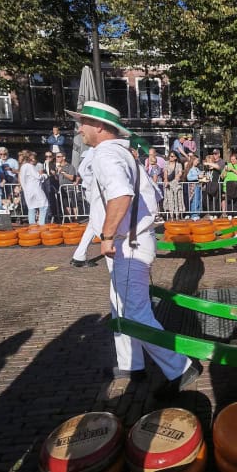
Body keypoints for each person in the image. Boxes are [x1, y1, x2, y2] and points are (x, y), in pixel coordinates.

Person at [68, 100, 199, 394]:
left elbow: (121, 194)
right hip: (132, 242)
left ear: (99, 127)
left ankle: (182, 367)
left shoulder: (105, 154)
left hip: (128, 245)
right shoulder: (123, 153)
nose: (80, 129)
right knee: (119, 306)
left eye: (83, 123)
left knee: (136, 312)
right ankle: (131, 364)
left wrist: (107, 235)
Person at [70, 148, 98, 267]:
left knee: (95, 222)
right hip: (95, 191)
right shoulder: (94, 150)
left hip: (95, 190)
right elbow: (83, 169)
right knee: (97, 221)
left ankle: (79, 256)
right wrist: (94, 184)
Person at [19, 151, 49, 225]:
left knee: (31, 207)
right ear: (31, 159)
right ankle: (42, 224)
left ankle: (32, 225)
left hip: (27, 190)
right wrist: (45, 175)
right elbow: (38, 176)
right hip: (35, 189)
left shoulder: (22, 167)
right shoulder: (29, 166)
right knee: (44, 205)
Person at [56, 152, 80, 220]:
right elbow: (58, 178)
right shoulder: (58, 167)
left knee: (74, 204)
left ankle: (76, 219)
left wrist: (62, 172)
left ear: (64, 157)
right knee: (66, 205)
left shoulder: (70, 166)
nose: (57, 158)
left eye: (58, 156)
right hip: (62, 189)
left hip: (70, 188)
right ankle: (69, 220)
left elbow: (72, 178)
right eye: (56, 157)